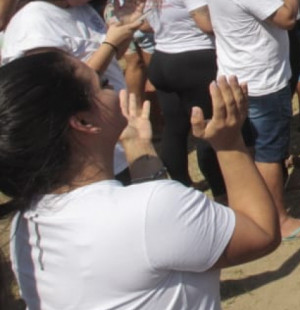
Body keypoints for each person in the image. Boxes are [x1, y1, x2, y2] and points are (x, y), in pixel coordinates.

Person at [0, 52, 279, 309]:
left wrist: (140, 152)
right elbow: (260, 232)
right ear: (84, 122)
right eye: (104, 83)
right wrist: (230, 144)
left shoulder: (24, 226)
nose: (118, 89)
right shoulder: (151, 210)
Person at [204, 0, 300, 240]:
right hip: (264, 81)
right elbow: (287, 18)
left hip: (236, 76)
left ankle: (247, 209)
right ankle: (277, 218)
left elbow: (257, 2)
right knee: (270, 151)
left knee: (247, 147)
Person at [1, 0, 144, 177]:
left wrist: (124, 29)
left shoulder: (81, 9)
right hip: (81, 149)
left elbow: (111, 59)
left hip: (110, 138)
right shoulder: (36, 20)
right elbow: (62, 88)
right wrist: (110, 41)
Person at [134, 0, 225, 196]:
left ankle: (182, 187)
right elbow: (206, 24)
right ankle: (222, 188)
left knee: (175, 128)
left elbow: (146, 24)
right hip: (194, 61)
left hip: (163, 58)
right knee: (208, 127)